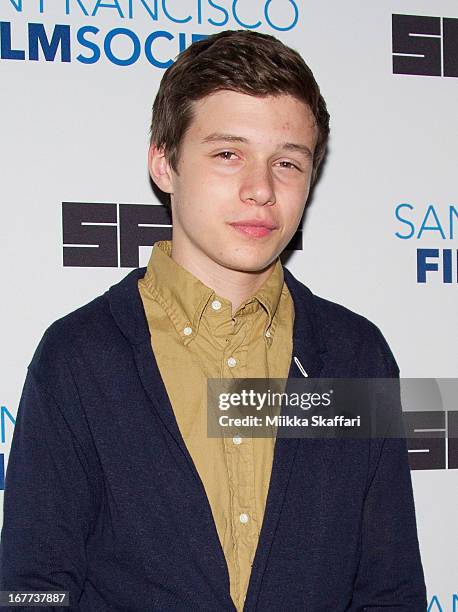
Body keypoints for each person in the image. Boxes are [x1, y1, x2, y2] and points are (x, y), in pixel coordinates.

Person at [0, 30, 426, 611]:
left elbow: (390, 589)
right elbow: (31, 589)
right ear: (164, 163)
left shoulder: (356, 357)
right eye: (228, 154)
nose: (260, 190)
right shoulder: (81, 356)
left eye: (287, 163)